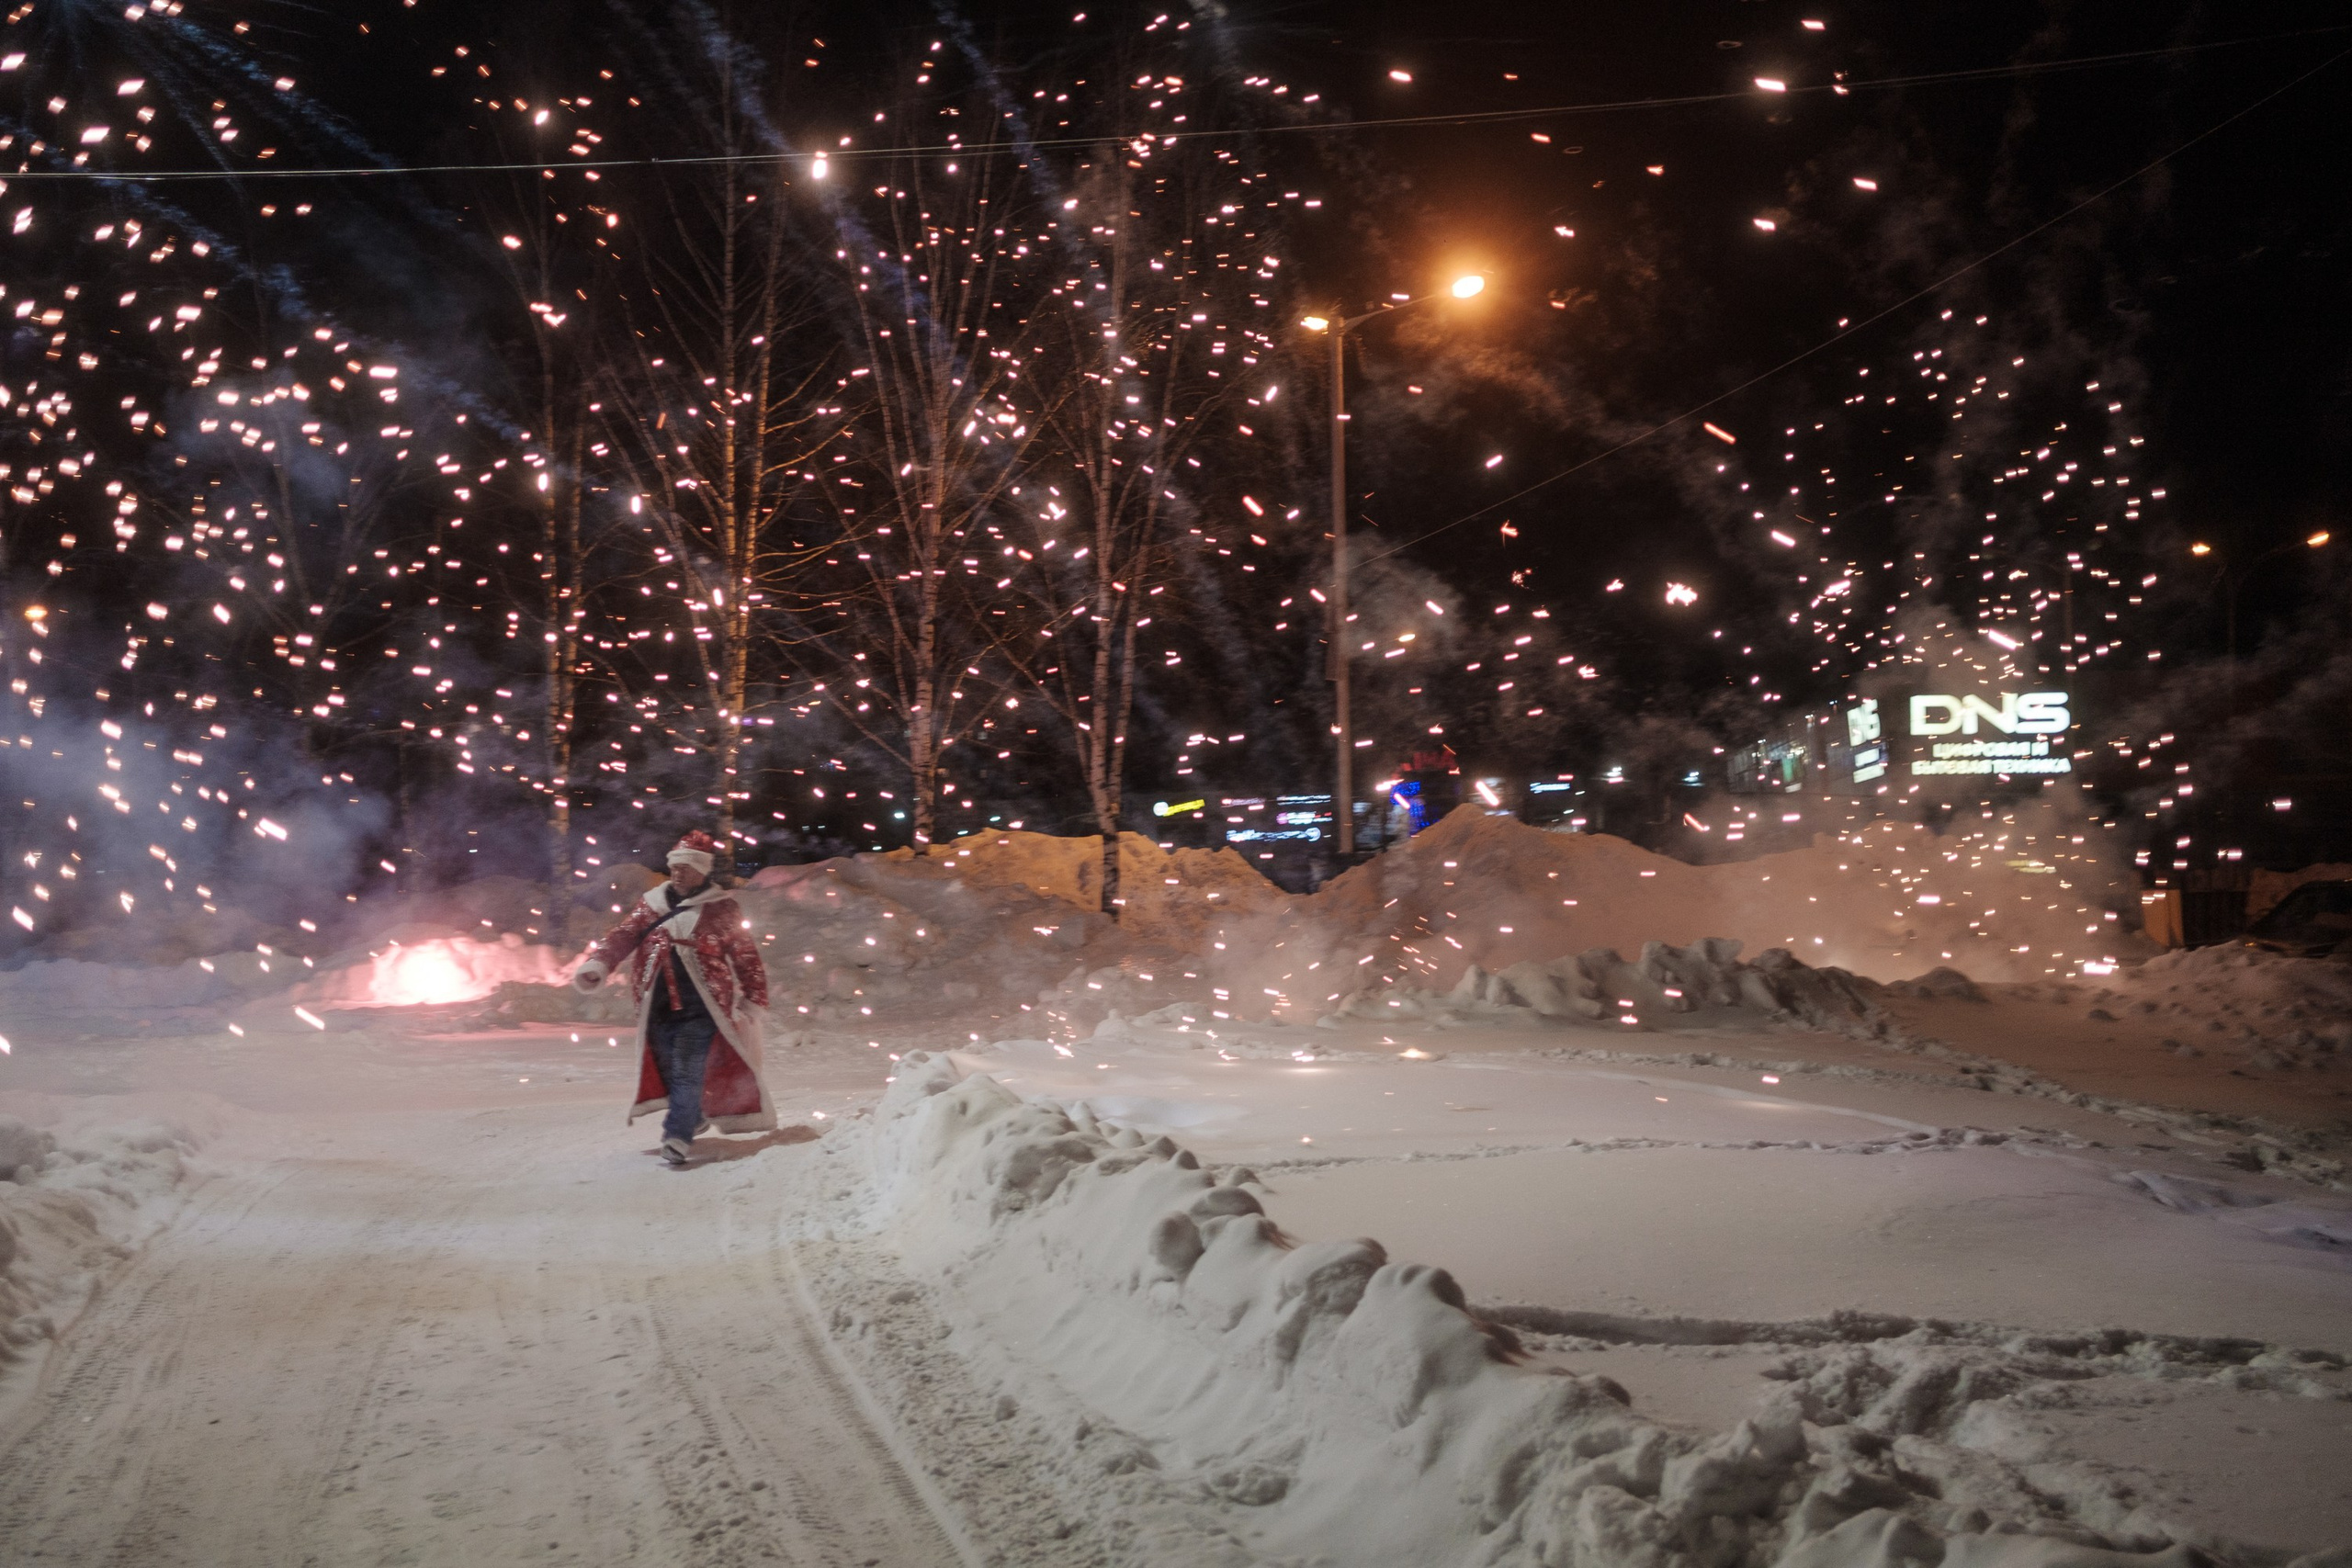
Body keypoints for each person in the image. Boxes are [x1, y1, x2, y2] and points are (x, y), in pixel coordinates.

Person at [573, 829, 775, 1167]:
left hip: (703, 1008)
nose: (680, 872)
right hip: (658, 1006)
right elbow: (623, 936)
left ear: (702, 871)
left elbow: (746, 956)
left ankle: (677, 1135)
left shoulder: (722, 909)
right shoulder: (650, 905)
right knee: (669, 1067)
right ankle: (692, 1113)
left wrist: (753, 997)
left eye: (688, 867)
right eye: (676, 866)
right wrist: (599, 964)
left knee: (686, 1068)